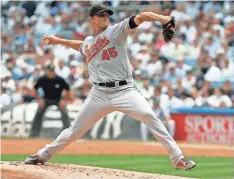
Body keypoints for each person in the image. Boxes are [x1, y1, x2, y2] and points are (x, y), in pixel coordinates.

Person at [25, 4, 196, 170]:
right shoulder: (89, 42)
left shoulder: (116, 31)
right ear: (92, 19)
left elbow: (141, 17)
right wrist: (59, 40)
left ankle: (178, 157)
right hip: (98, 94)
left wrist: (163, 18)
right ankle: (42, 155)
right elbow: (81, 46)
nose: (106, 16)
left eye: (107, 14)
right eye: (101, 15)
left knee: (149, 116)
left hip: (124, 90)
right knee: (74, 131)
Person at [29, 63, 72, 137]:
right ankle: (34, 133)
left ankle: (67, 133)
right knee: (38, 112)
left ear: (54, 71)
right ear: (46, 71)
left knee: (65, 112)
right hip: (46, 99)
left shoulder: (59, 79)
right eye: (49, 71)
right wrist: (39, 99)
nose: (50, 72)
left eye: (52, 71)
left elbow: (68, 90)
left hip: (58, 99)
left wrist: (64, 99)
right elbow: (34, 89)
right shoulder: (42, 79)